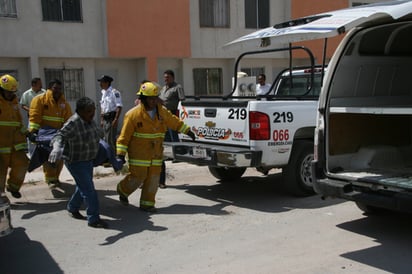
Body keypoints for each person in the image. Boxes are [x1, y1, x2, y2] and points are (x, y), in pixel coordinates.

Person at [115, 82, 195, 212]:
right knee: (138, 177)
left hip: (156, 153)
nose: (153, 101)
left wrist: (187, 131)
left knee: (153, 178)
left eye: (155, 98)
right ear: (143, 98)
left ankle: (147, 204)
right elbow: (124, 137)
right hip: (139, 154)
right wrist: (120, 154)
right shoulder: (132, 115)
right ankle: (123, 190)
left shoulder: (161, 111)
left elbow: (173, 121)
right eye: (150, 98)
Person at [49, 97, 108, 228]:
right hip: (76, 162)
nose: (92, 114)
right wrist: (57, 146)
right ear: (80, 111)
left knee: (82, 187)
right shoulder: (73, 122)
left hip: (88, 161)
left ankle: (72, 207)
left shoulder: (90, 121)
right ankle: (94, 219)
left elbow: (98, 134)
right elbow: (59, 136)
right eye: (89, 111)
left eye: (93, 110)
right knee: (89, 190)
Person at [28, 79, 72, 188]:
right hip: (45, 135)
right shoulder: (40, 100)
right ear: (49, 88)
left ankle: (55, 178)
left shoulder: (64, 103)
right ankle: (51, 179)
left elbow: (68, 119)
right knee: (48, 157)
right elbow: (34, 117)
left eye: (59, 89)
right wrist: (33, 133)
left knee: (60, 157)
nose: (58, 91)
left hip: (58, 135)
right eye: (55, 88)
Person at [0, 74, 29, 199]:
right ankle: (1, 195)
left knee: (23, 163)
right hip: (1, 144)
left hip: (16, 143)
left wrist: (28, 133)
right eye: (8, 92)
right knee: (0, 171)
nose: (11, 95)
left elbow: (18, 121)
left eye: (13, 92)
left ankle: (13, 187)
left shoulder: (14, 101)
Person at [158, 70, 185, 188]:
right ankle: (169, 154)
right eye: (164, 78)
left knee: (174, 135)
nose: (165, 79)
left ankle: (177, 155)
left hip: (173, 114)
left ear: (172, 78)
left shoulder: (177, 87)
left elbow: (182, 101)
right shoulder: (163, 89)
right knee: (166, 136)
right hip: (163, 115)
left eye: (167, 77)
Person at [19, 77, 45, 155]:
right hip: (32, 119)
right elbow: (23, 105)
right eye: (39, 84)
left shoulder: (44, 92)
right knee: (31, 135)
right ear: (34, 84)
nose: (41, 85)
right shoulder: (26, 94)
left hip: (43, 118)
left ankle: (43, 153)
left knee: (43, 134)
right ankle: (32, 154)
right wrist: (30, 110)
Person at [98, 75, 123, 152]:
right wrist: (102, 120)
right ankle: (108, 157)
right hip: (105, 119)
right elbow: (103, 107)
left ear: (107, 83)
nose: (100, 84)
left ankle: (114, 157)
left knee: (111, 139)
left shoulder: (114, 92)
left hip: (111, 118)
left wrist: (116, 119)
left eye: (102, 82)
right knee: (106, 139)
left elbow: (119, 106)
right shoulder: (104, 93)